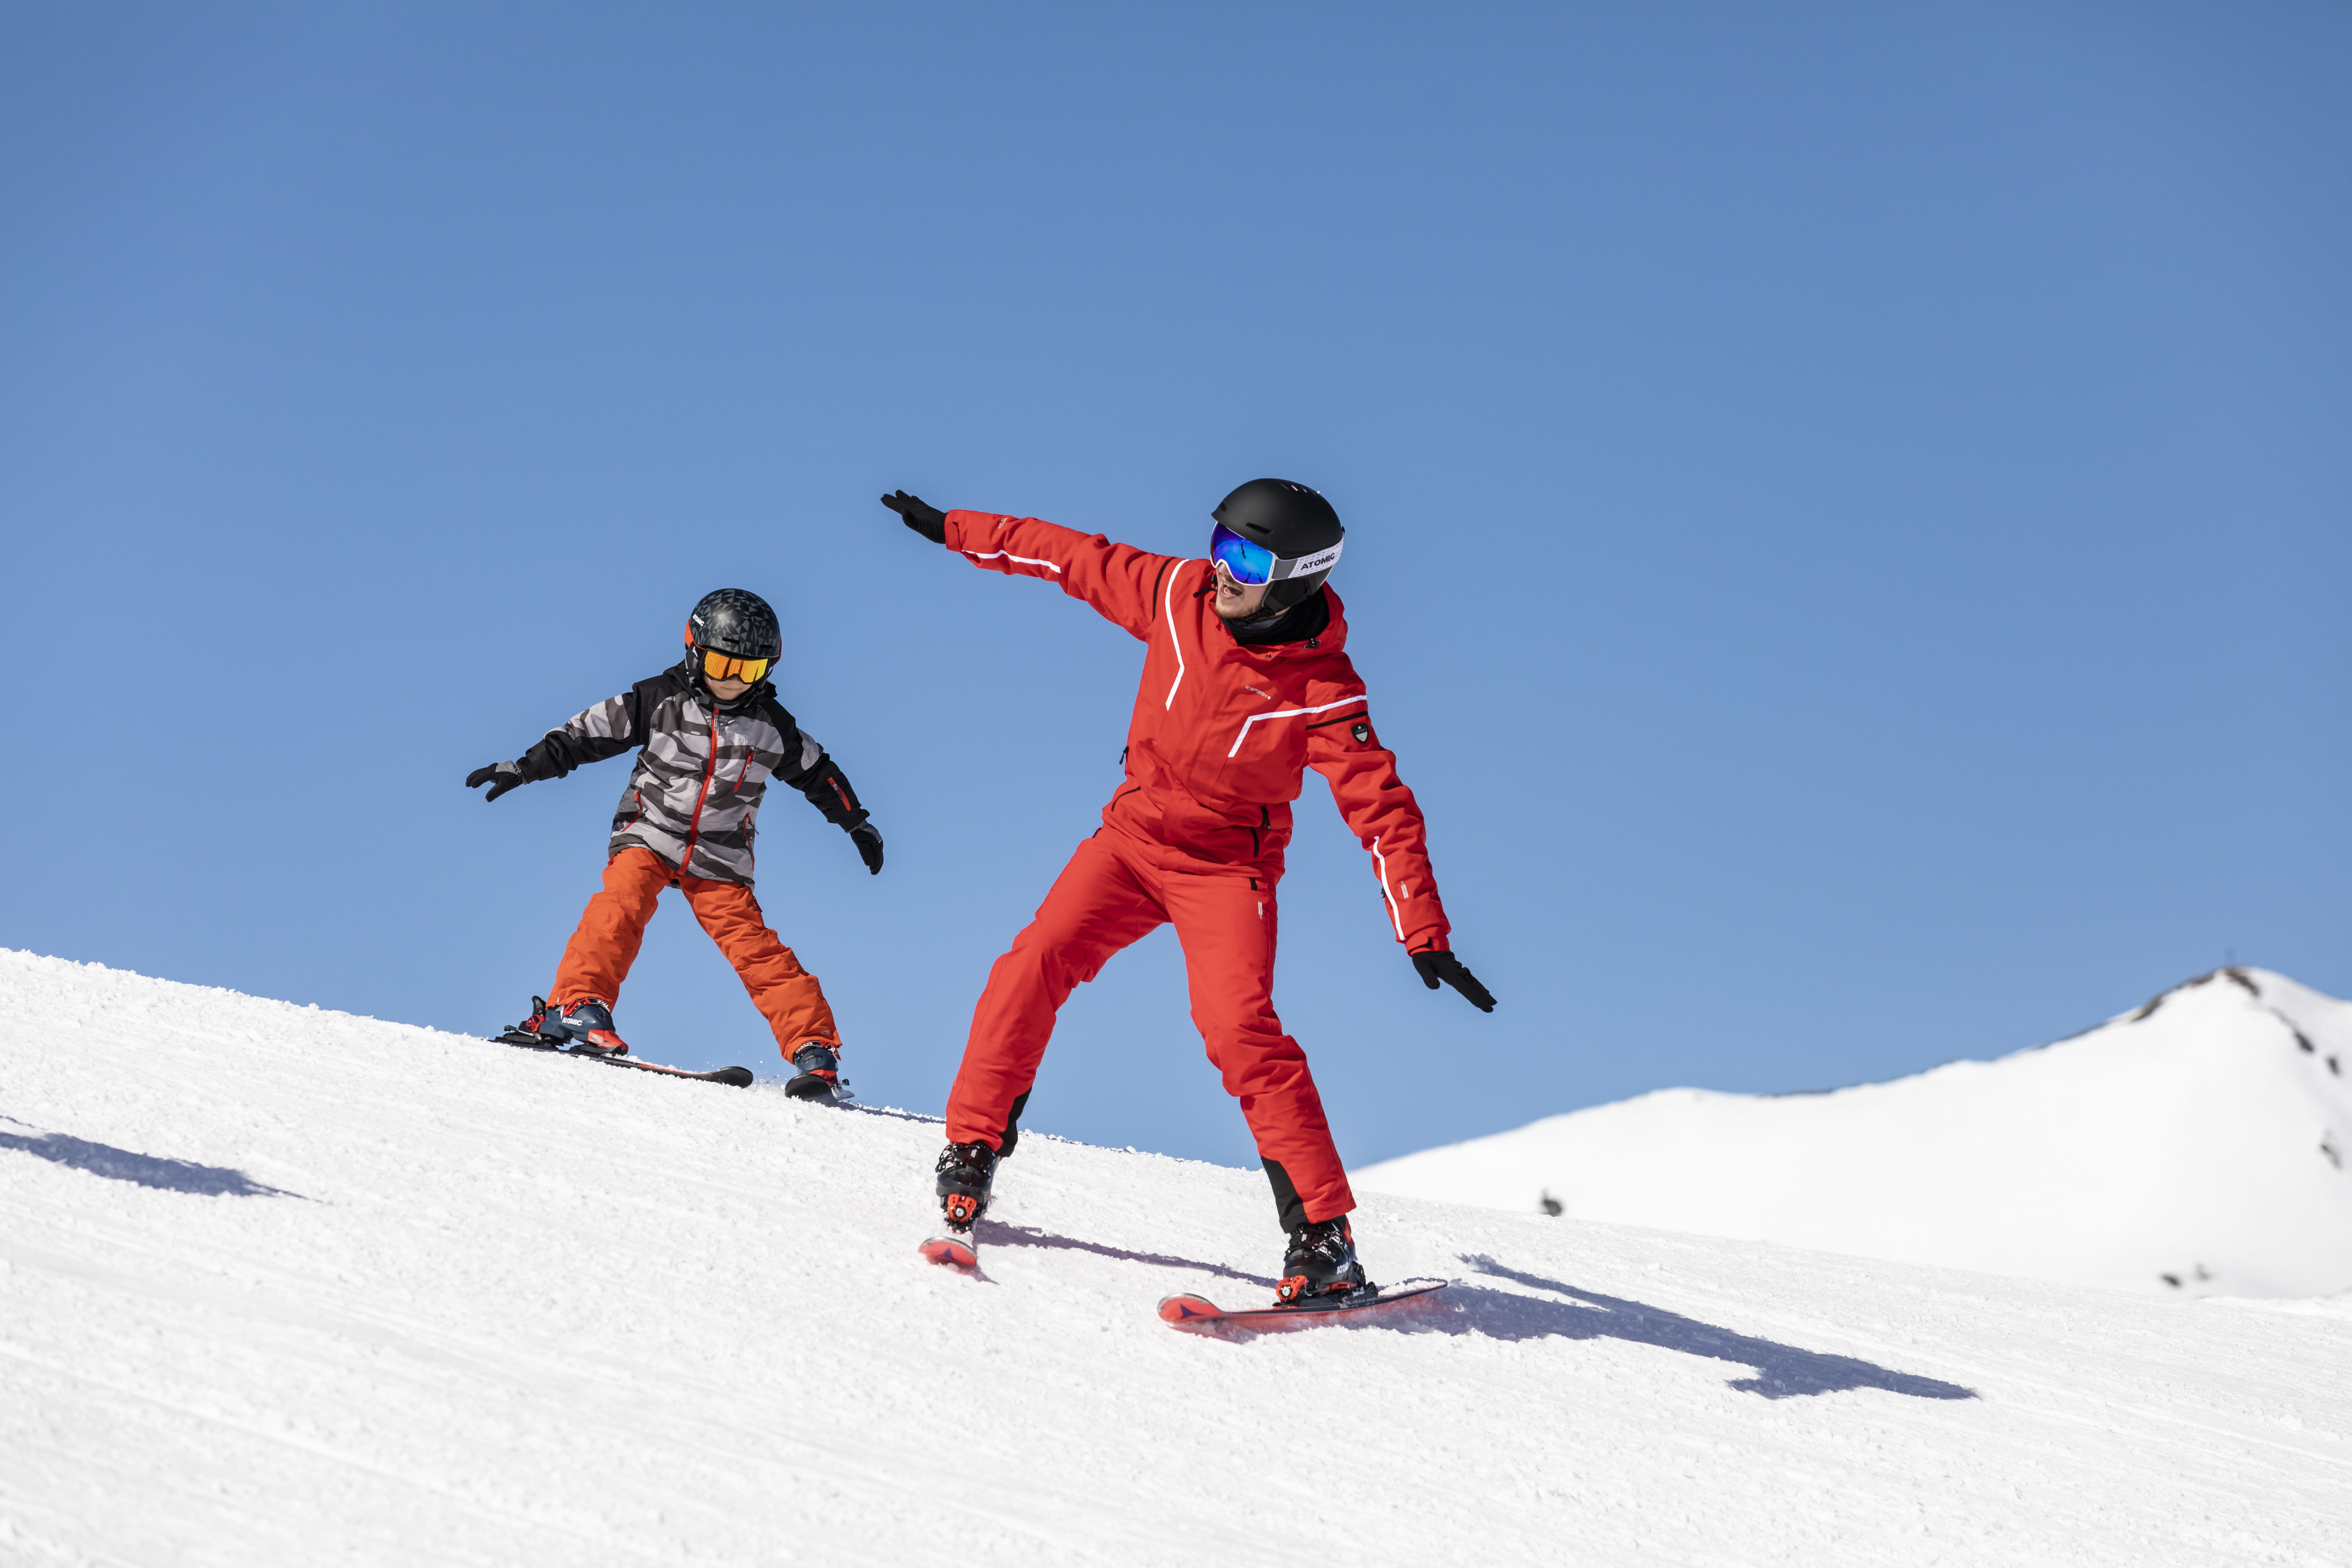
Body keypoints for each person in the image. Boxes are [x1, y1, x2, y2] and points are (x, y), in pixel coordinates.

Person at [882, 480, 1495, 1303]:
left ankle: (1324, 1240)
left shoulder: (1323, 689)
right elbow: (1071, 557)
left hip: (1225, 871)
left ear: (1297, 579)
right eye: (1220, 545)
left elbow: (1381, 808)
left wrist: (1422, 929)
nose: (1223, 570)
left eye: (1248, 559)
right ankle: (972, 1149)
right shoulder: (1178, 594)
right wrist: (957, 529)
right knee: (1030, 966)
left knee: (1239, 1031)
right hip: (1129, 842)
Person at [466, 588, 884, 1100]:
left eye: (748, 671)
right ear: (694, 652)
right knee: (621, 905)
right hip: (650, 832)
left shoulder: (773, 727)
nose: (732, 681)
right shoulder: (659, 699)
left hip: (720, 856)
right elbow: (585, 734)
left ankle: (814, 1049)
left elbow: (821, 775)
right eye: (722, 665)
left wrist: (856, 823)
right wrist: (525, 767)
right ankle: (577, 1004)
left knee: (756, 949)